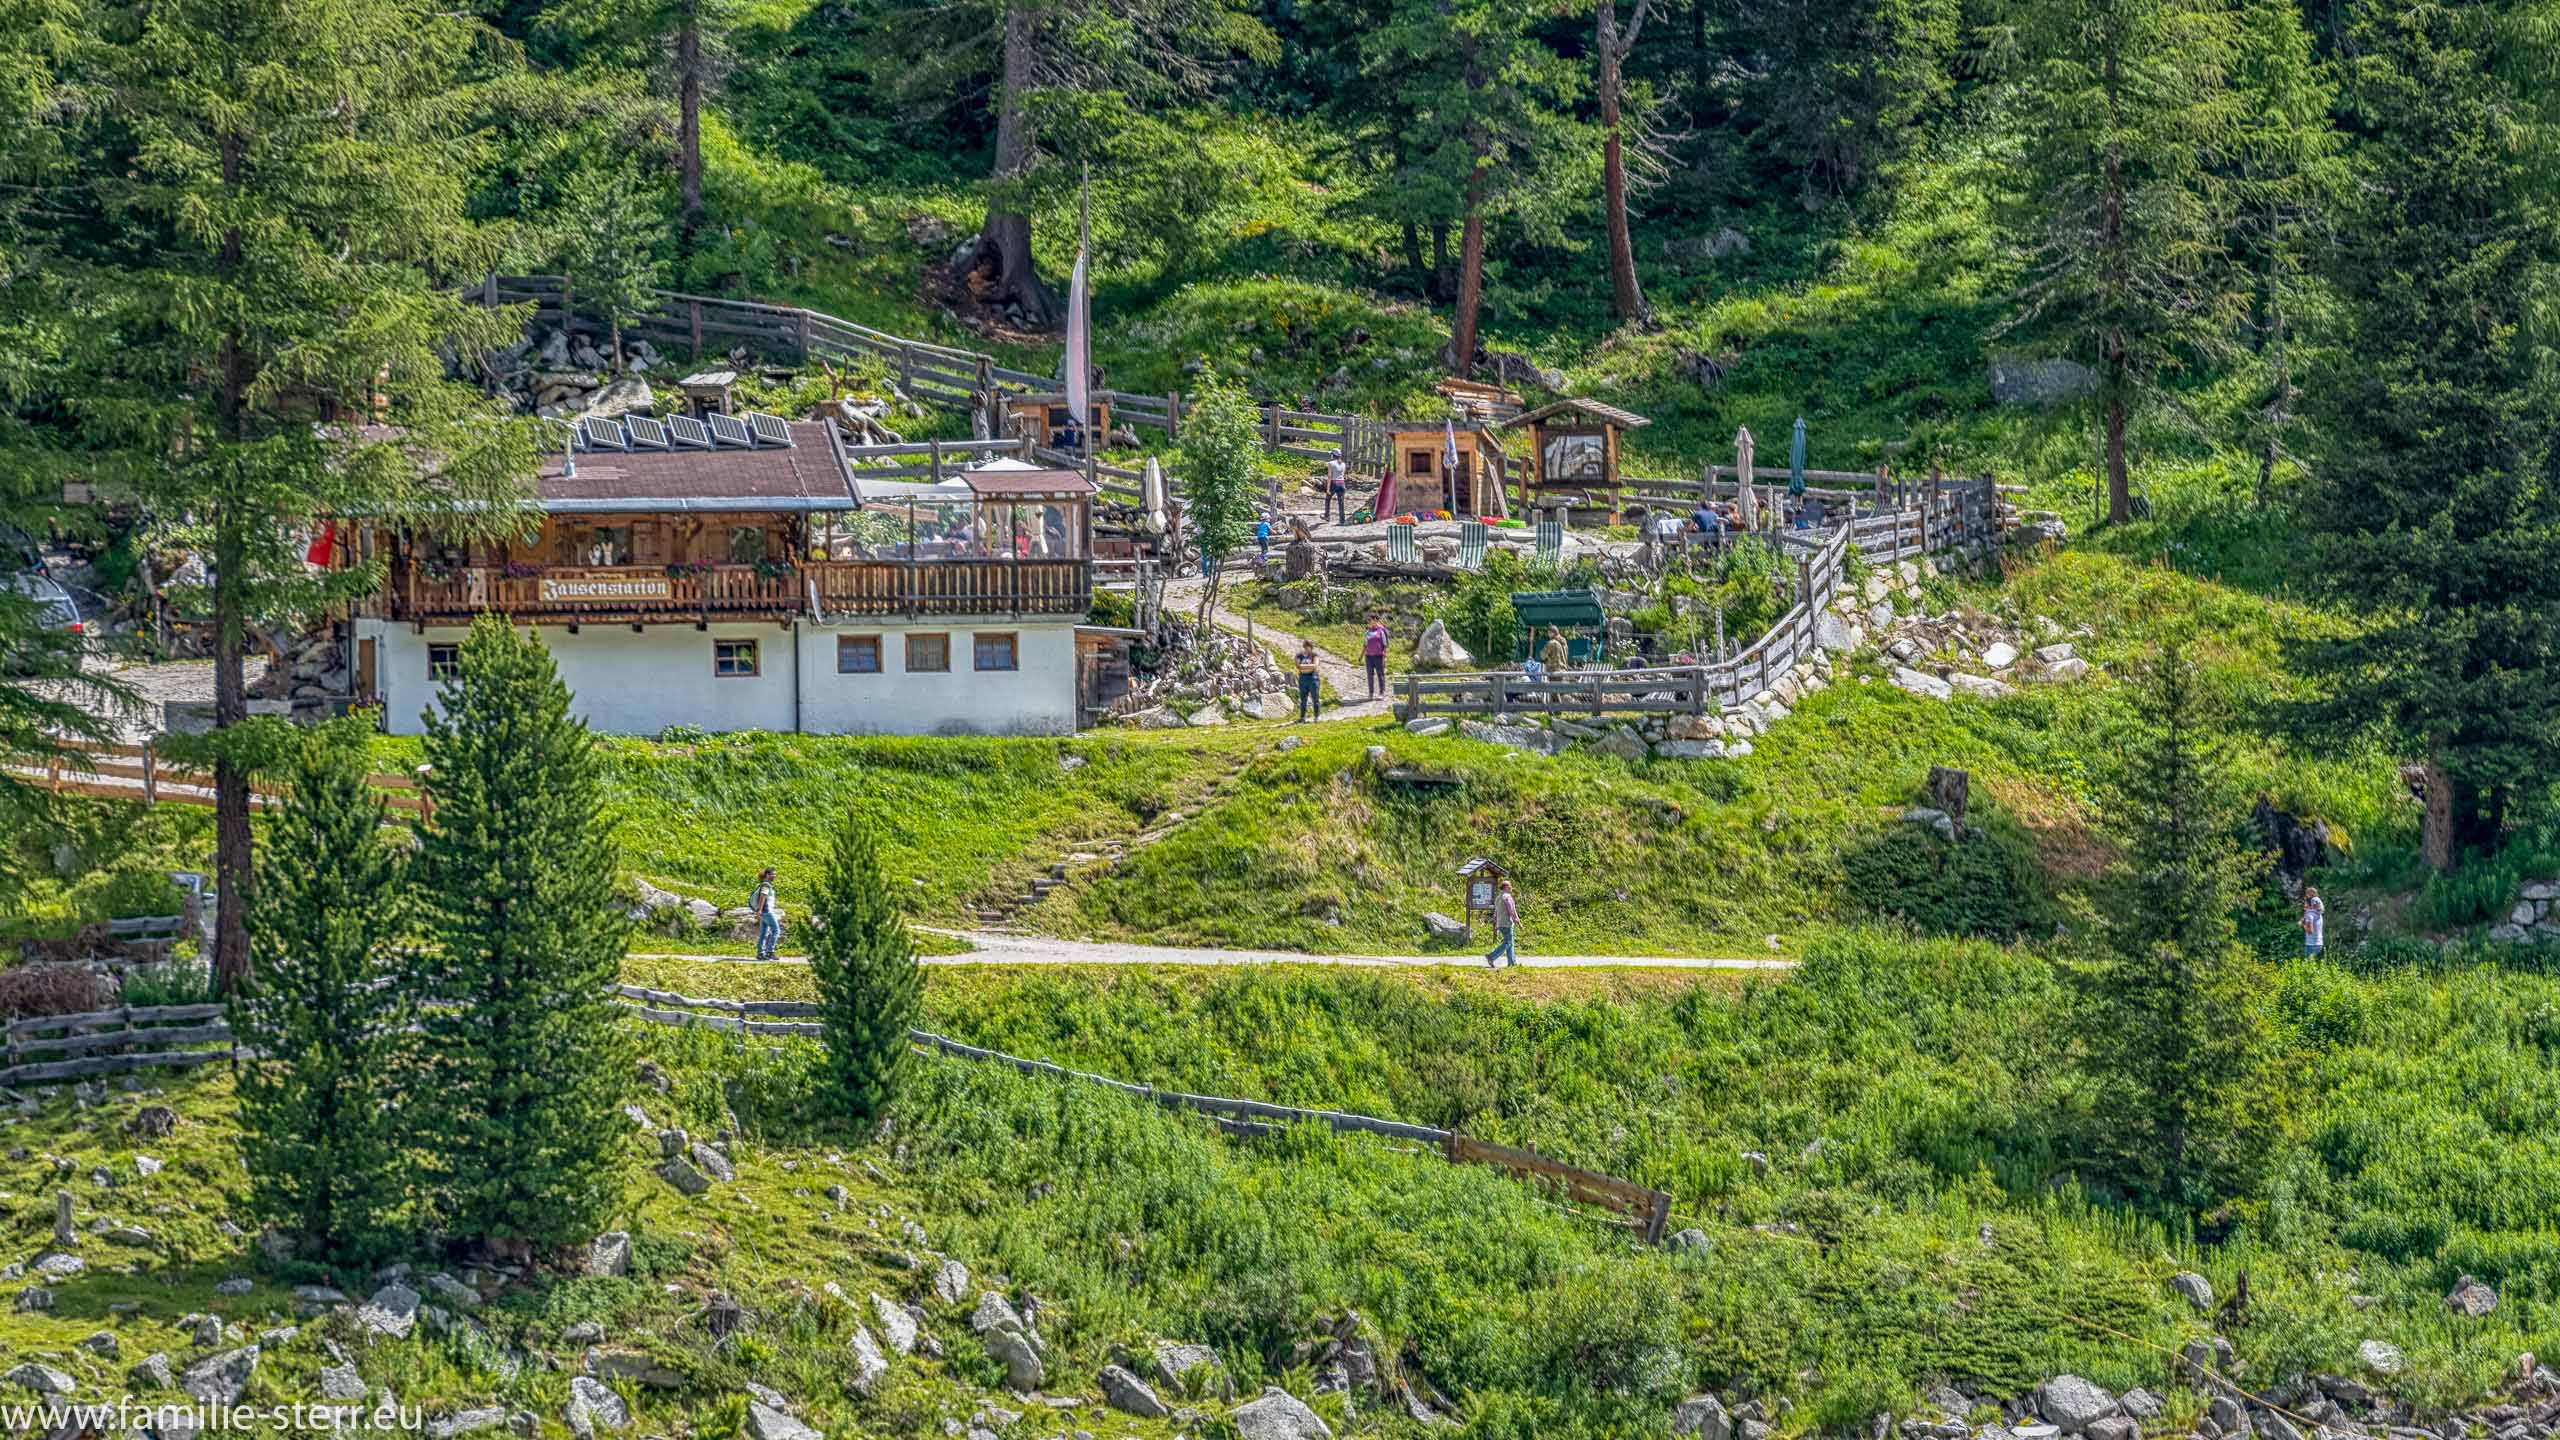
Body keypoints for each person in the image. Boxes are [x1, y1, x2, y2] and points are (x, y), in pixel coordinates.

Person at [1484, 878, 1519, 968]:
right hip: (1507, 923)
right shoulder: (1507, 897)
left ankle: (1512, 963)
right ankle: (1491, 956)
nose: (1511, 887)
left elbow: (1496, 912)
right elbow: (1512, 911)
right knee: (1508, 943)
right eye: (1510, 886)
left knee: (1510, 942)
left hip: (1500, 923)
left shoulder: (1498, 898)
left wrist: (1496, 924)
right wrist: (1517, 921)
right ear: (1506, 887)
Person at [751, 867, 781, 962]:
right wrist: (759, 910)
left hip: (763, 912)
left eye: (775, 874)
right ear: (767, 875)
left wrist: (759, 911)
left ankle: (760, 954)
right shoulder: (766, 885)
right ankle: (770, 952)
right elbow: (762, 897)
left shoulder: (763, 884)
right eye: (773, 874)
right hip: (767, 911)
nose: (775, 876)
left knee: (764, 933)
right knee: (776, 930)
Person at [1363, 614, 1389, 699]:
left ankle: (1382, 693)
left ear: (1375, 620)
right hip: (1369, 657)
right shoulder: (1367, 632)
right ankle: (1371, 693)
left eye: (1370, 620)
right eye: (1368, 620)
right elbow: (1365, 644)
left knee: (1380, 674)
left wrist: (1385, 657)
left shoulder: (1381, 631)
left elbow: (1385, 645)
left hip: (1379, 656)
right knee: (1369, 675)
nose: (1369, 622)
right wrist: (1361, 656)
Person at [1294, 640, 1322, 721]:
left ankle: (1317, 716)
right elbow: (1298, 666)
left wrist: (1303, 666)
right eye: (1305, 646)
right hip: (1303, 678)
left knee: (1315, 697)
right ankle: (1302, 717)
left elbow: (1315, 665)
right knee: (1303, 699)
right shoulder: (1299, 655)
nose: (1306, 648)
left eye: (1308, 646)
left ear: (1311, 647)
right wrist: (1309, 666)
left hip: (1313, 678)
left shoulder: (1314, 655)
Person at [1324, 456, 1349, 524]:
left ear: (1333, 455)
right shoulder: (1343, 464)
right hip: (1342, 483)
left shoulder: (1330, 463)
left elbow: (1329, 476)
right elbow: (1343, 475)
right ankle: (1342, 520)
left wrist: (1328, 488)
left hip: (1334, 483)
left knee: (1327, 499)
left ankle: (1327, 516)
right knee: (1341, 502)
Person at [2301, 887, 2325, 957]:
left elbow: (2310, 931)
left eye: (2305, 903)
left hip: (2311, 944)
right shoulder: (2318, 914)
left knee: (2308, 963)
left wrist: (2303, 925)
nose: (2304, 905)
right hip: (2319, 943)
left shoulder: (2309, 914)